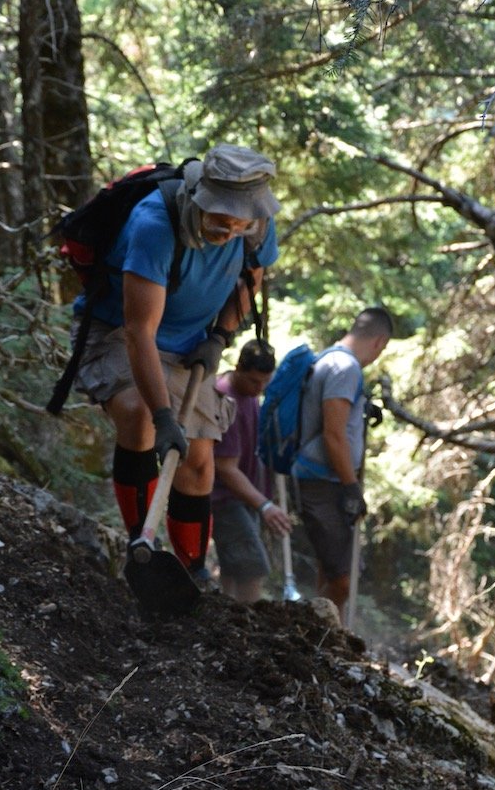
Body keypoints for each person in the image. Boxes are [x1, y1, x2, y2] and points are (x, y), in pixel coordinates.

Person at [71, 144, 280, 585]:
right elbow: (138, 332)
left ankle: (192, 571)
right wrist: (166, 416)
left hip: (192, 344)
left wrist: (220, 337)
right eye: (222, 221)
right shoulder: (154, 222)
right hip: (117, 332)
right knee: (140, 415)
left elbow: (251, 280)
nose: (233, 231)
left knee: (200, 461)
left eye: (242, 223)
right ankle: (140, 547)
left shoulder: (258, 224)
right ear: (201, 198)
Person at [292, 306, 394, 622]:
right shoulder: (344, 368)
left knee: (331, 567)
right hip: (323, 481)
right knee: (343, 578)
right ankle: (309, 633)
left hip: (322, 479)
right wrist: (351, 487)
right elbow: (333, 434)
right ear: (378, 342)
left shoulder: (330, 358)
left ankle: (326, 642)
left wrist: (362, 408)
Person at [211, 339, 293, 602]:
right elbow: (225, 467)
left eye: (264, 383)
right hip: (224, 498)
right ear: (238, 368)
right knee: (252, 566)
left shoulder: (250, 396)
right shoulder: (224, 397)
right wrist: (265, 506)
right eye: (254, 381)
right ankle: (248, 621)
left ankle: (227, 616)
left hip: (244, 496)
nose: (259, 389)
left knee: (234, 566)